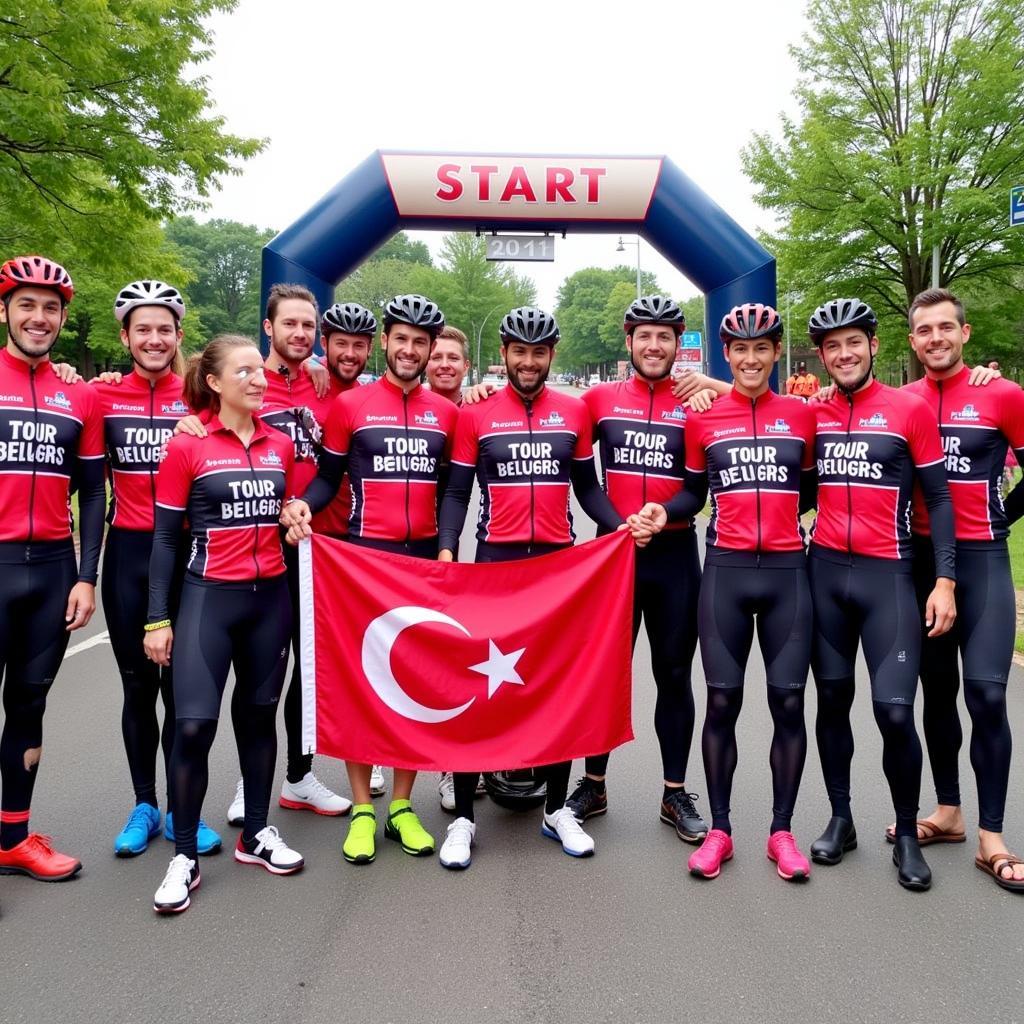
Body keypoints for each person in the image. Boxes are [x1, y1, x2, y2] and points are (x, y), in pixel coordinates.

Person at [435, 306, 647, 870]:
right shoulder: (475, 413)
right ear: (504, 353)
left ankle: (557, 809)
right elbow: (457, 491)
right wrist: (449, 546)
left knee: (557, 688)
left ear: (551, 355)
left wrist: (619, 525)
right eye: (519, 352)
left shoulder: (573, 411)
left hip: (558, 569)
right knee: (480, 691)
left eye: (539, 352)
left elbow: (587, 488)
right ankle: (462, 817)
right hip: (494, 568)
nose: (528, 363)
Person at [639, 304, 817, 881]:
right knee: (722, 701)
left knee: (789, 703)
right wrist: (663, 510)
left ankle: (782, 831)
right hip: (726, 572)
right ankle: (719, 829)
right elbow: (693, 493)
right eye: (739, 349)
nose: (750, 358)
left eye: (761, 348)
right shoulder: (704, 420)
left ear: (774, 351)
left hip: (789, 574)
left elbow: (816, 487)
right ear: (726, 353)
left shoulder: (801, 414)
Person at [280, 294, 456, 866]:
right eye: (401, 339)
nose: (410, 350)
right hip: (363, 562)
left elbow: (454, 491)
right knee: (361, 683)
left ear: (431, 350)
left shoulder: (446, 413)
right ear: (387, 342)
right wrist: (300, 505)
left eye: (421, 342)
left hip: (424, 561)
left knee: (416, 681)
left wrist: (449, 548)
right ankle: (361, 807)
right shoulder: (349, 405)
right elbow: (328, 480)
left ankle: (403, 805)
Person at [146, 335, 304, 914]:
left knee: (261, 720)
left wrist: (293, 513)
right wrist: (156, 617)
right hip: (207, 601)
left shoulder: (279, 445)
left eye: (261, 371)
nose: (260, 380)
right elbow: (165, 538)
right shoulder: (187, 445)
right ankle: (183, 854)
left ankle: (256, 833)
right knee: (192, 726)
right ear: (213, 382)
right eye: (246, 372)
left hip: (269, 604)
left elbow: (293, 506)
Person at [805, 297, 956, 892]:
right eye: (832, 346)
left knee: (895, 711)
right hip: (825, 575)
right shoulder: (813, 413)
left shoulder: (909, 409)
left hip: (889, 577)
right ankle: (841, 819)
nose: (844, 354)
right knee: (832, 702)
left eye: (854, 343)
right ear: (821, 356)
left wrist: (943, 580)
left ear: (873, 346)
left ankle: (906, 833)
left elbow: (941, 500)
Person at [569, 295, 727, 841]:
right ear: (628, 340)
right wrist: (617, 524)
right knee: (602, 673)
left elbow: (696, 488)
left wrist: (661, 517)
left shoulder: (698, 402)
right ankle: (593, 782)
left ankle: (674, 792)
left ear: (678, 342)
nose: (654, 346)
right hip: (612, 554)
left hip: (675, 556)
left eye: (665, 336)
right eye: (644, 336)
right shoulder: (597, 400)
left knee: (674, 676)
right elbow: (584, 479)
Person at [898, 288, 1024, 891]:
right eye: (925, 330)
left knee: (988, 696)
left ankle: (992, 836)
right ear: (913, 341)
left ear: (965, 333)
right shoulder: (902, 401)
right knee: (937, 693)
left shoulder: (1000, 394)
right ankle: (948, 813)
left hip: (984, 563)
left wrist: (1002, 516)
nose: (936, 338)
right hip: (920, 561)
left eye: (946, 328)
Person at [93, 280, 222, 857]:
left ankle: (180, 809)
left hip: (187, 555)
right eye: (142, 329)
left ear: (178, 337)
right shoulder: (101, 398)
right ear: (125, 336)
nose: (153, 338)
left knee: (183, 688)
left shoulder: (198, 399)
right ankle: (144, 803)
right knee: (137, 685)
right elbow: (90, 488)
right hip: (127, 555)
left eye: (164, 329)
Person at [0, 255, 105, 882]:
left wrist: (85, 574)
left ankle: (13, 837)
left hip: (51, 572)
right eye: (27, 305)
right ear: (5, 310)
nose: (39, 318)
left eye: (50, 308)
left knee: (29, 707)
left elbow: (92, 492)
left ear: (63, 317)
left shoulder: (78, 394)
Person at [426, 325, 471, 406]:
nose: (444, 365)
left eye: (453, 358)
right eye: (436, 358)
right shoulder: (407, 409)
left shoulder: (480, 413)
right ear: (425, 364)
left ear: (466, 367)